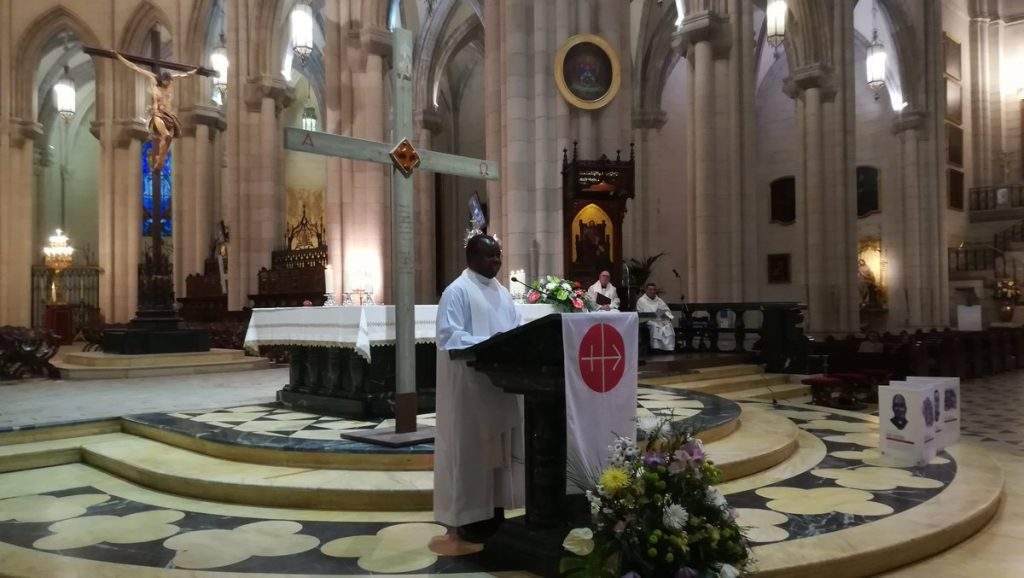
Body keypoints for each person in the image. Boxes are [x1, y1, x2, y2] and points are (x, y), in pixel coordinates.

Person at [433, 233, 523, 544]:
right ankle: (468, 518)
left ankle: (495, 512)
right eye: (490, 256)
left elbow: (517, 331)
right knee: (470, 452)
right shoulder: (457, 292)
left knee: (498, 452)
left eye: (498, 255)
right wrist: (492, 345)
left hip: (499, 385)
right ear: (471, 258)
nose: (496, 262)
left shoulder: (503, 293)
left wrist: (507, 345)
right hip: (469, 389)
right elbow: (449, 338)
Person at [114, 52, 198, 171]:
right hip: (157, 115)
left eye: (169, 82)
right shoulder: (154, 81)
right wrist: (120, 58)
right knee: (166, 136)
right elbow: (136, 68)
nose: (168, 84)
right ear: (162, 80)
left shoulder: (170, 84)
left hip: (169, 116)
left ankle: (160, 159)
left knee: (167, 139)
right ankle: (157, 158)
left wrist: (193, 72)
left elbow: (181, 75)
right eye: (166, 82)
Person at [635, 282, 675, 352]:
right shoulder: (641, 300)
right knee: (655, 325)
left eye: (654, 290)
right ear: (646, 290)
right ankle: (656, 348)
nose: (652, 291)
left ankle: (668, 348)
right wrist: (654, 316)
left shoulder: (659, 300)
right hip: (648, 321)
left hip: (661, 320)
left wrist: (663, 315)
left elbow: (667, 311)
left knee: (668, 325)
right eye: (650, 290)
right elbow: (641, 314)